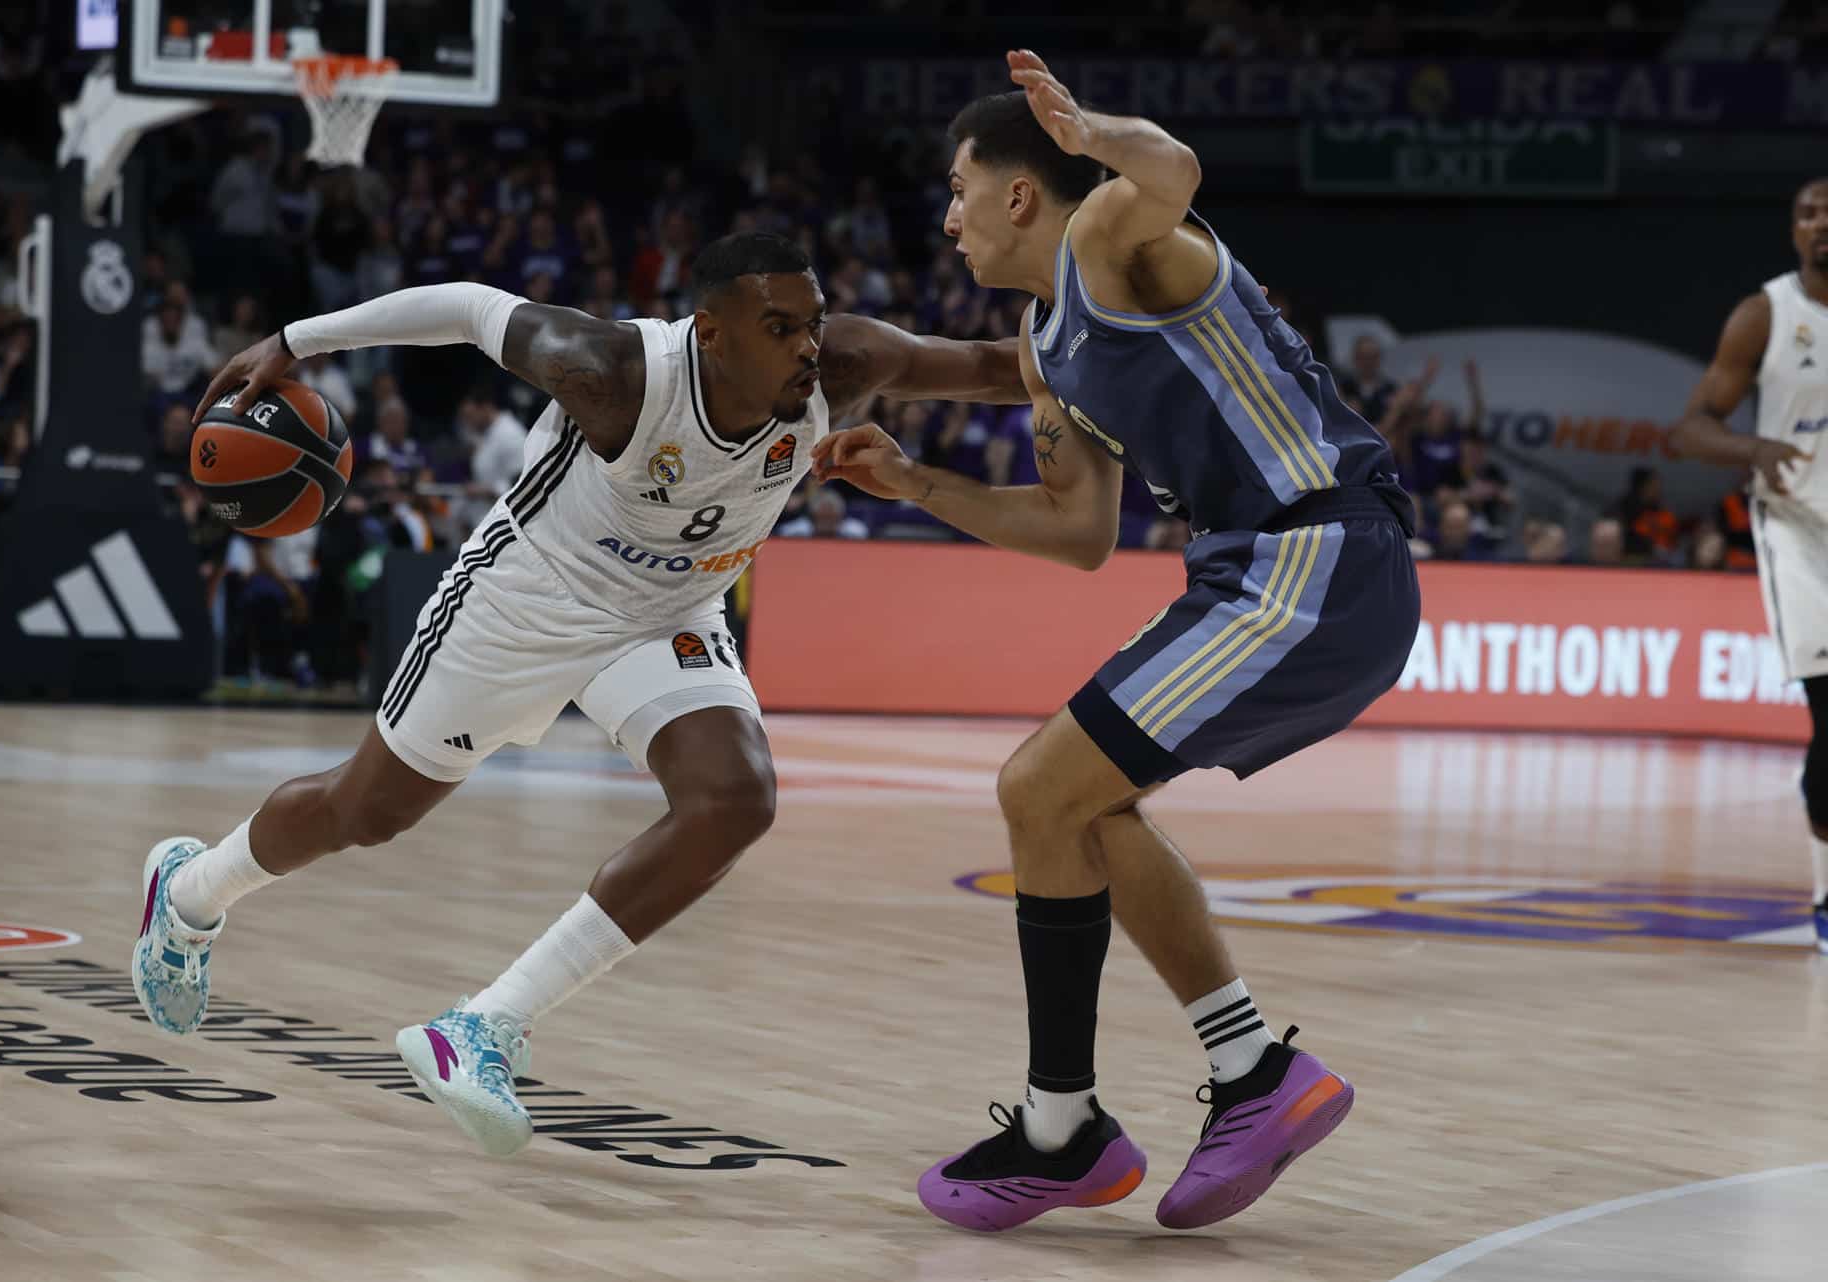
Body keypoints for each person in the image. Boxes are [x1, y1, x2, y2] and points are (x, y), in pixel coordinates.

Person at [130, 232, 1026, 1158]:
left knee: (735, 798)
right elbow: (472, 308)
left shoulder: (845, 366)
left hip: (668, 610)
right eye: (781, 326)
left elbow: (1002, 369)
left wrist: (1132, 342)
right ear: (712, 335)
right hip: (527, 599)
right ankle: (191, 891)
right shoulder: (616, 372)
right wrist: (298, 339)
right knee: (366, 811)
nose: (808, 345)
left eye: (813, 323)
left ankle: (479, 1027)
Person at [815, 56, 1419, 1233]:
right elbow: (1075, 533)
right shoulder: (1051, 347)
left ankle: (1066, 1129)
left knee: (1039, 784)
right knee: (1078, 807)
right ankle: (1240, 1075)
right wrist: (914, 481)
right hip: (1260, 568)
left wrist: (1091, 130)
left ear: (1022, 194)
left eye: (958, 186)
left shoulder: (1110, 233)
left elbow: (1172, 171)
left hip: (1319, 554)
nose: (945, 215)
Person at [1669, 176, 1828, 954]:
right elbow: (1691, 429)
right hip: (1799, 529)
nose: (1822, 222)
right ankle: (1827, 894)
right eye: (1808, 212)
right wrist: (1754, 447)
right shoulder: (1766, 315)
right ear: (1793, 231)